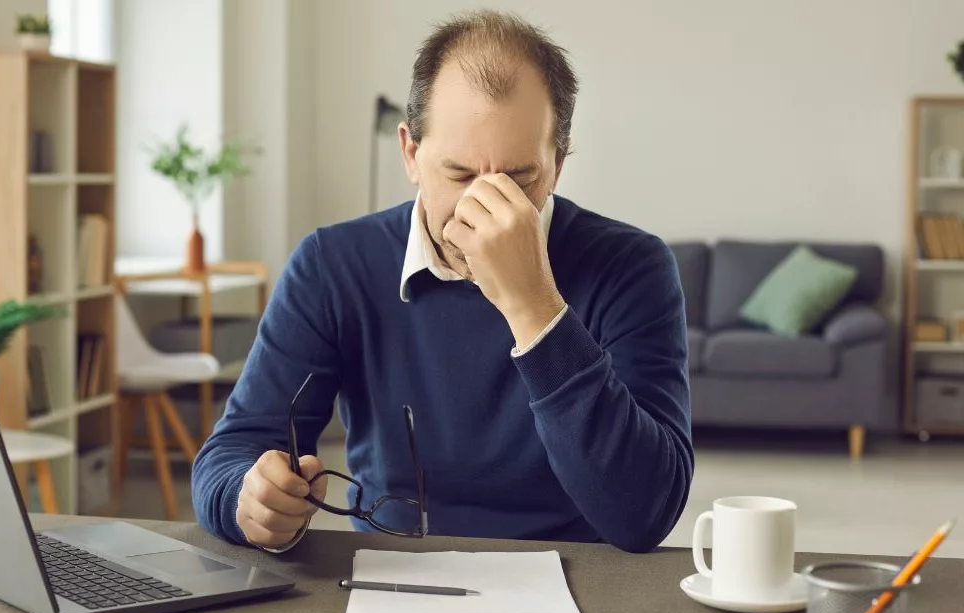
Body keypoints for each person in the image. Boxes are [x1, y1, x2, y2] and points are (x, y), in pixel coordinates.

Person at [192, 9, 692, 554]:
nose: (486, 204)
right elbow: (233, 452)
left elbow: (645, 515)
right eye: (459, 175)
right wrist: (248, 499)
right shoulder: (331, 264)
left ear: (558, 163)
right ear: (410, 153)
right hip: (394, 576)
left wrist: (534, 307)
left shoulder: (631, 265)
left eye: (520, 178)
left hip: (578, 575)